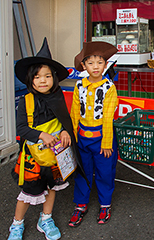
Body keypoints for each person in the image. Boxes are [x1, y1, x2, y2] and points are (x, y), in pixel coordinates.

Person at [9, 38, 86, 240]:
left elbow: (64, 121)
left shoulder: (57, 96)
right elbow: (22, 129)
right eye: (37, 76)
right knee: (28, 193)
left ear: (54, 78)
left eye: (47, 76)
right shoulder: (26, 101)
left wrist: (65, 131)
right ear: (30, 80)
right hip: (33, 157)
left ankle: (46, 218)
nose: (42, 80)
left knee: (52, 188)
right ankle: (17, 224)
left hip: (55, 156)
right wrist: (41, 135)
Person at [68, 41, 118, 227]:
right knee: (83, 171)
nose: (95, 67)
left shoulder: (109, 88)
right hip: (82, 137)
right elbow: (74, 112)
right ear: (84, 65)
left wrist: (106, 142)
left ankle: (105, 204)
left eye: (100, 62)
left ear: (106, 65)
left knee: (105, 172)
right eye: (91, 63)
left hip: (102, 139)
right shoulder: (79, 85)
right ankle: (81, 204)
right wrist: (73, 138)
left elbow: (107, 117)